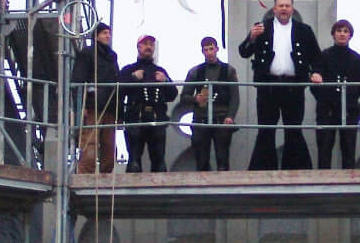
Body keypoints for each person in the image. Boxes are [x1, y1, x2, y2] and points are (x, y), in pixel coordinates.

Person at [237, 0, 324, 170]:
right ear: (274, 9)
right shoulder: (262, 28)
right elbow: (243, 52)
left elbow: (317, 57)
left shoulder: (304, 30)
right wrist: (251, 38)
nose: (284, 9)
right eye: (280, 6)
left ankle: (296, 170)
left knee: (293, 129)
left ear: (292, 9)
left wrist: (316, 73)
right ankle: (262, 171)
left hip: (294, 87)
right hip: (268, 87)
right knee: (266, 130)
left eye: (287, 5)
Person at [311, 18, 360, 169]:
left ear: (350, 35)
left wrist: (346, 99)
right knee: (324, 148)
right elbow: (314, 84)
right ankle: (322, 183)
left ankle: (349, 185)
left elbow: (359, 86)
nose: (342, 34)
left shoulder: (357, 59)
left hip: (348, 111)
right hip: (326, 111)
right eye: (339, 31)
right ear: (333, 34)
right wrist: (327, 98)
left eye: (345, 31)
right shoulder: (323, 56)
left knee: (348, 149)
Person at [119, 35, 177, 173]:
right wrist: (133, 78)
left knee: (159, 161)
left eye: (151, 44)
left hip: (157, 119)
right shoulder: (128, 70)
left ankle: (160, 192)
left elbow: (172, 95)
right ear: (138, 47)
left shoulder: (160, 71)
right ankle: (131, 192)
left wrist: (166, 81)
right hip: (135, 119)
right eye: (145, 44)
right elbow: (119, 91)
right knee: (134, 161)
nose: (148, 47)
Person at [181, 36, 239, 171]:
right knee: (201, 161)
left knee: (223, 160)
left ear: (217, 49)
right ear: (202, 51)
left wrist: (230, 116)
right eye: (206, 50)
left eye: (211, 49)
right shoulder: (195, 71)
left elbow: (235, 97)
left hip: (222, 119)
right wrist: (195, 99)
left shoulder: (229, 70)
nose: (209, 52)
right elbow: (184, 96)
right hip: (201, 119)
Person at [74, 23, 120, 173]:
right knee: (90, 144)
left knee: (109, 145)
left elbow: (116, 82)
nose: (108, 36)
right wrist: (81, 106)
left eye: (109, 33)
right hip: (93, 105)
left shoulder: (112, 57)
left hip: (110, 106)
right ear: (96, 36)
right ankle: (86, 174)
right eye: (104, 33)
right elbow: (78, 80)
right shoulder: (87, 54)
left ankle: (106, 176)